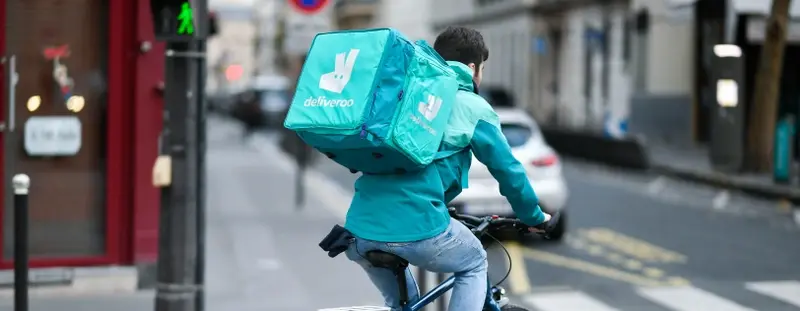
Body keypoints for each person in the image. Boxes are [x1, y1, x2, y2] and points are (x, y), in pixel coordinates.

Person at [343, 26, 552, 310]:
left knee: (404, 305)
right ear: (472, 68)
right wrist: (533, 216)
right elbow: (509, 172)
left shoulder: (402, 97)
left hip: (359, 229)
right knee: (474, 261)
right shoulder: (472, 106)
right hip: (417, 224)